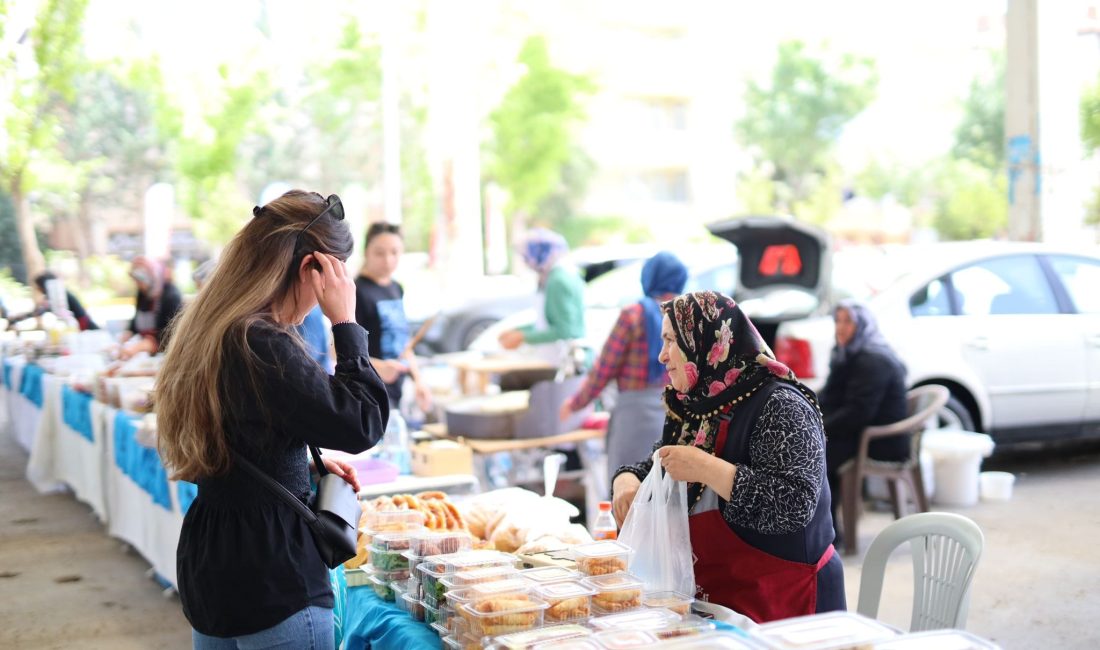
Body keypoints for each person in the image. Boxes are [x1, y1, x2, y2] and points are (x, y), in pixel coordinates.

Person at [156, 190, 390, 648]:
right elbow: (362, 423)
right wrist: (345, 322)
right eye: (334, 276)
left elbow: (234, 441)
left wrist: (297, 469)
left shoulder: (209, 328)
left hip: (213, 561)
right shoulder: (259, 339)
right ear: (312, 269)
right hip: (271, 572)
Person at [612, 290, 845, 623]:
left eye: (670, 341)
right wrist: (626, 480)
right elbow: (658, 464)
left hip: (787, 606)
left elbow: (795, 505)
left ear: (705, 341)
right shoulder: (695, 405)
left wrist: (709, 469)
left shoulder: (780, 404)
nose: (661, 356)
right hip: (717, 604)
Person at [559, 251, 688, 476]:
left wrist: (575, 404)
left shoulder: (633, 315)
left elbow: (604, 369)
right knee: (662, 486)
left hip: (633, 416)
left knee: (626, 484)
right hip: (674, 414)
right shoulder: (686, 316)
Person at [820, 299, 908, 546]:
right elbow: (831, 397)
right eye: (838, 320)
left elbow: (859, 412)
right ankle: (826, 531)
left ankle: (827, 536)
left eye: (848, 321)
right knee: (811, 447)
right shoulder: (847, 353)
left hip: (881, 440)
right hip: (858, 432)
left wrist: (820, 427)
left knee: (816, 456)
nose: (841, 327)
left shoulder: (872, 359)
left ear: (863, 325)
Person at [354, 221, 431, 411]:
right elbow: (338, 349)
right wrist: (378, 366)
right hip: (367, 394)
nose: (388, 260)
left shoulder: (396, 288)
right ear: (366, 252)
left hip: (396, 392)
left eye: (394, 252)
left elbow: (403, 343)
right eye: (380, 253)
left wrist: (418, 381)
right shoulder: (356, 291)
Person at [498, 228, 585, 358]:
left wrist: (523, 337)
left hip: (566, 358)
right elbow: (547, 322)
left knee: (510, 378)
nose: (525, 261)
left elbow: (565, 330)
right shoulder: (555, 275)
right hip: (557, 355)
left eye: (526, 256)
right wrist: (520, 331)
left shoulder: (558, 280)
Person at [120, 256, 182, 359]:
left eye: (140, 280)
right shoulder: (143, 294)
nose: (138, 285)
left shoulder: (170, 296)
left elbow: (171, 334)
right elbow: (135, 324)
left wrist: (147, 344)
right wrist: (128, 333)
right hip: (144, 356)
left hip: (165, 357)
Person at [6, 272, 99, 331]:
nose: (37, 289)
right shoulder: (58, 293)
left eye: (38, 286)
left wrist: (17, 318)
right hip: (80, 322)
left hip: (81, 322)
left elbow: (40, 311)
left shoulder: (56, 295)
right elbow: (40, 310)